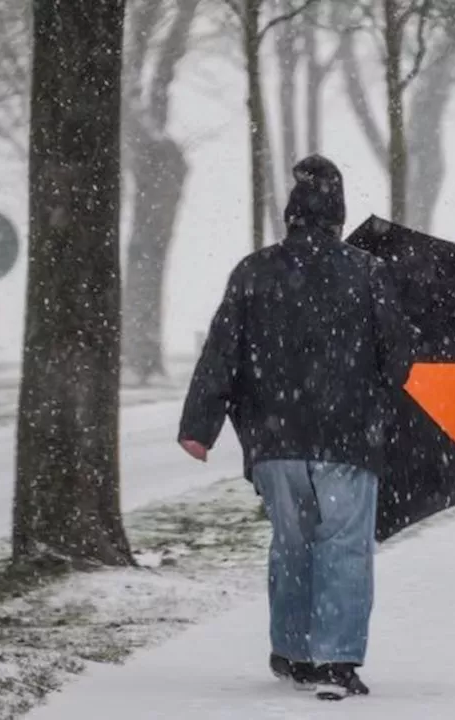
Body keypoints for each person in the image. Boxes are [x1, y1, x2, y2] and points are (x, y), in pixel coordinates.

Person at [178, 155, 413, 699]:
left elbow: (222, 353)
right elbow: (398, 361)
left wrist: (200, 426)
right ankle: (334, 661)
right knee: (345, 544)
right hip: (347, 439)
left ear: (291, 215)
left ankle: (293, 650)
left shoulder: (253, 270)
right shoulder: (367, 272)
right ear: (338, 215)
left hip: (275, 440)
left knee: (292, 542)